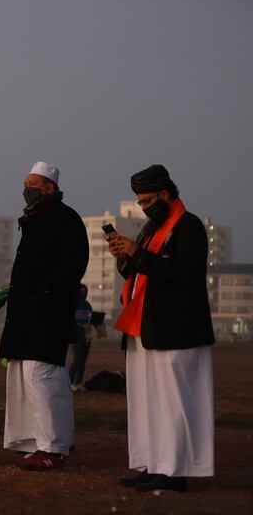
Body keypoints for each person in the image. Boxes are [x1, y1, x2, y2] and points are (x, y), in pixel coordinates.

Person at [108, 165, 215, 492]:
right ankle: (152, 464)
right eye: (140, 202)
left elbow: (184, 274)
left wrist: (138, 254)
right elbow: (140, 274)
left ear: (167, 194)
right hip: (145, 328)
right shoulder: (151, 229)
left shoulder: (189, 226)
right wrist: (124, 257)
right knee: (146, 402)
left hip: (177, 330)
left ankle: (175, 471)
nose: (143, 206)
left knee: (173, 403)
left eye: (148, 200)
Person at [0, 162, 89, 471]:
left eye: (34, 183)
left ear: (50, 187)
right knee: (28, 378)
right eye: (25, 183)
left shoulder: (65, 218)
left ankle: (53, 447)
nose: (27, 188)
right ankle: (40, 441)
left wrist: (42, 296)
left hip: (47, 315)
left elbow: (69, 268)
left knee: (44, 378)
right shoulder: (34, 219)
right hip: (27, 315)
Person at [69, 284, 93, 391]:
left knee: (83, 360)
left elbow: (90, 318)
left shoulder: (87, 305)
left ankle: (79, 382)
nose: (83, 293)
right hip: (77, 335)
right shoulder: (74, 304)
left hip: (86, 335)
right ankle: (70, 382)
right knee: (77, 359)